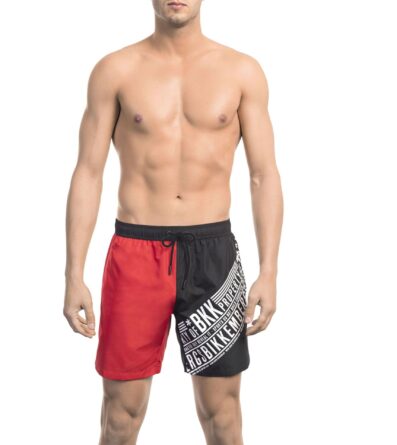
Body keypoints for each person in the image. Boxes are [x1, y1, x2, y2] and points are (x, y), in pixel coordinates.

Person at [63, 0, 283, 443]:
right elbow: (88, 172)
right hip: (135, 253)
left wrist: (269, 272)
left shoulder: (241, 71)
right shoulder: (115, 70)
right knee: (120, 416)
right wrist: (73, 274)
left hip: (213, 256)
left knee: (222, 415)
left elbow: (263, 175)